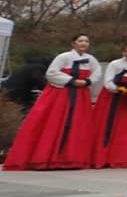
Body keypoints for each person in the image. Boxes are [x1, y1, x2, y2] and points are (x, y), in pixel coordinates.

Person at [3, 34, 102, 170]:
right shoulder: (63, 57)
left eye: (86, 41)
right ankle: (48, 157)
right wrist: (71, 80)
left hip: (81, 95)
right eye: (80, 41)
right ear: (73, 43)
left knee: (78, 125)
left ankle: (72, 158)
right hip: (62, 94)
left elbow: (97, 72)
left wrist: (88, 81)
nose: (84, 43)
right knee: (55, 123)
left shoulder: (91, 60)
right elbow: (52, 73)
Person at [91, 43, 127, 169]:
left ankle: (126, 156)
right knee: (110, 126)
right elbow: (108, 82)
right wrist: (118, 89)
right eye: (125, 51)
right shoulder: (114, 64)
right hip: (114, 98)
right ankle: (106, 156)